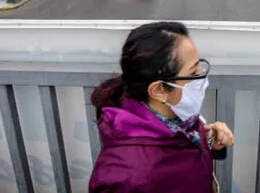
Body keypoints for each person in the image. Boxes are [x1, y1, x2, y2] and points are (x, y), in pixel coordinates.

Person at [88, 22, 233, 192]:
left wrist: (209, 142)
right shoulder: (126, 179)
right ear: (158, 90)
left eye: (199, 64)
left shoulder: (178, 118)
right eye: (193, 72)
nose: (201, 74)